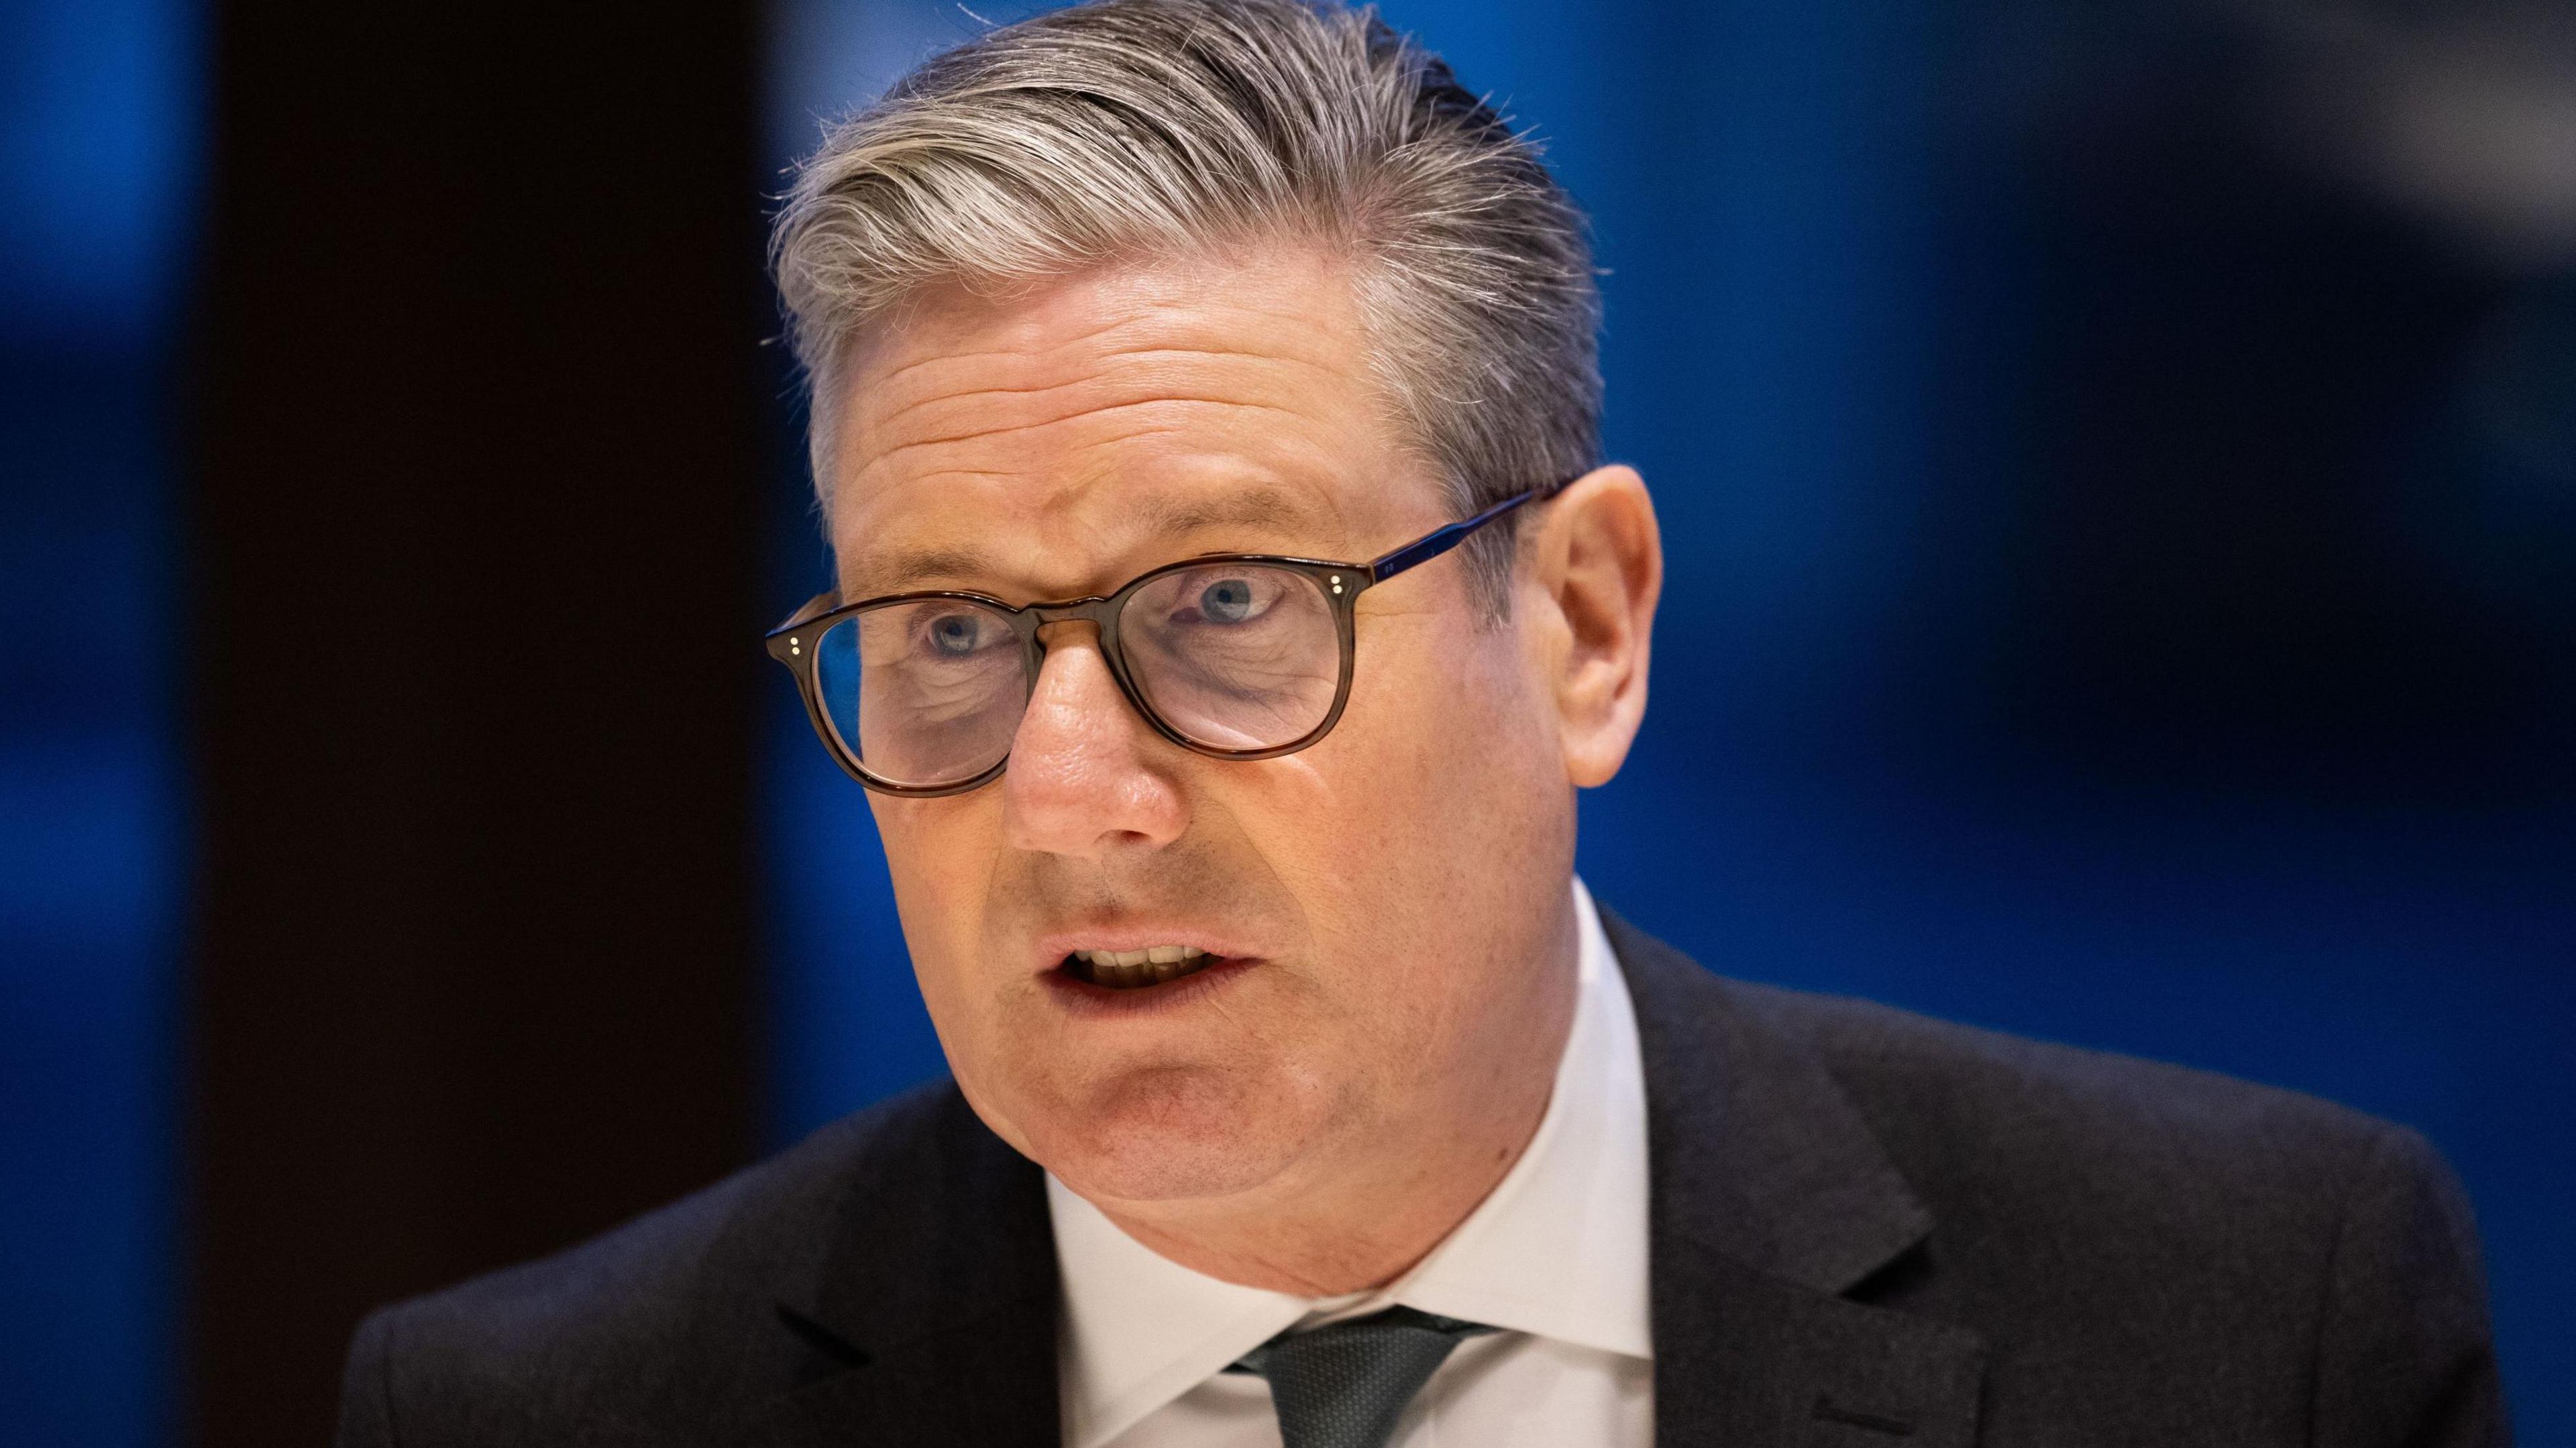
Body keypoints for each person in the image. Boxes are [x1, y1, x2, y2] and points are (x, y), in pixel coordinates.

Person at [333, 2, 2506, 1444]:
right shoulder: (546, 1411)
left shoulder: (2253, 1322)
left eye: (1230, 606)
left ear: (1582, 626)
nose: (1071, 800)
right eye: (952, 636)